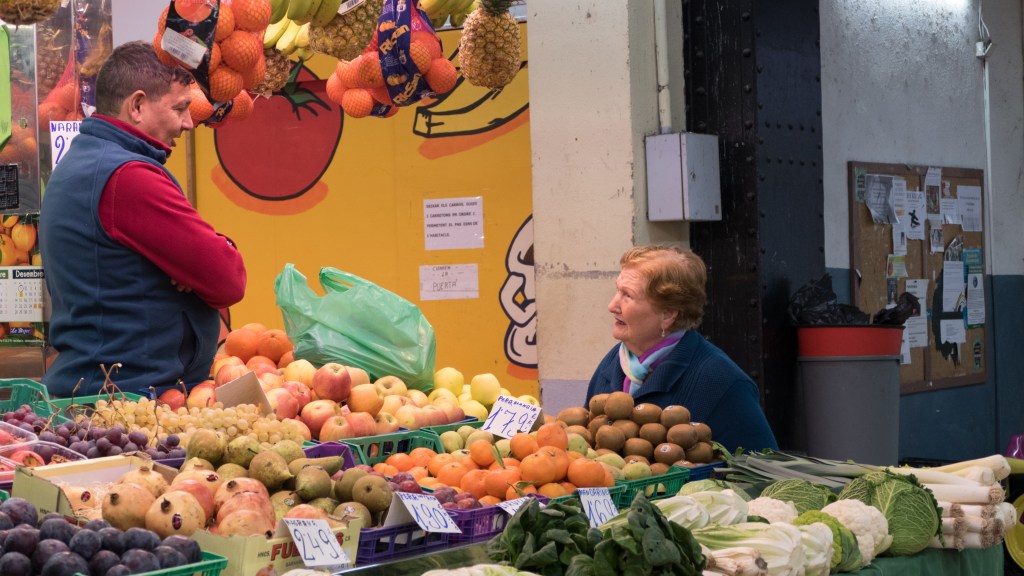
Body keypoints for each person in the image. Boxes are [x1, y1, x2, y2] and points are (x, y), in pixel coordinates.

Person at [39, 41, 246, 397]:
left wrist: (188, 268)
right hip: (129, 400)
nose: (188, 122)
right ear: (137, 105)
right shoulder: (127, 177)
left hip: (99, 387)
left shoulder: (83, 162)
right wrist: (206, 260)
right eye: (180, 108)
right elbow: (228, 278)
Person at [585, 244, 777, 453]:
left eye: (627, 295)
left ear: (667, 315)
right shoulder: (614, 362)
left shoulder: (722, 381)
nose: (612, 306)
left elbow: (763, 469)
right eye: (617, 290)